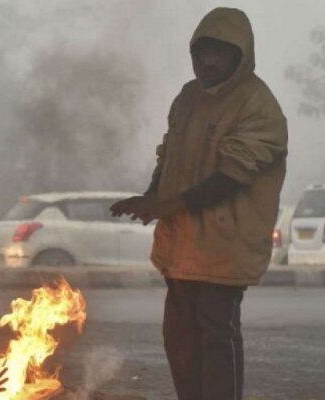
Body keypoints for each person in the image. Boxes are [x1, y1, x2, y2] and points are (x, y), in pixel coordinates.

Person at [110, 8, 287, 400]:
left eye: (219, 54)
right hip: (182, 244)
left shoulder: (257, 104)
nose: (207, 62)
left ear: (240, 57)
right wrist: (152, 196)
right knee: (179, 338)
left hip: (226, 245)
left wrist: (167, 205)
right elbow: (168, 154)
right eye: (202, 52)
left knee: (215, 334)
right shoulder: (188, 97)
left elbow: (233, 176)